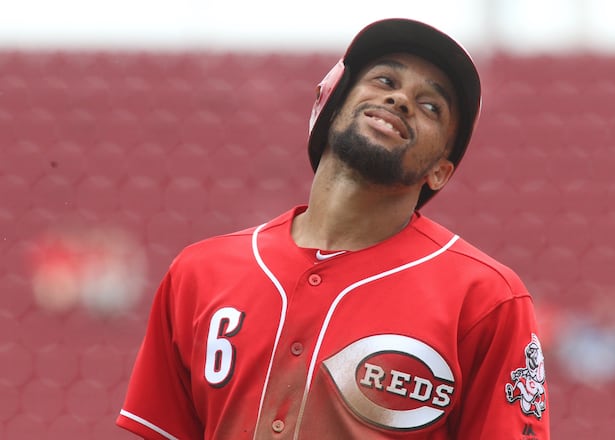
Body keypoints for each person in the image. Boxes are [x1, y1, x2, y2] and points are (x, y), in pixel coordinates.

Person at [117, 18, 550, 440]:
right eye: (384, 82)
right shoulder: (199, 272)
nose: (401, 100)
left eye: (430, 106)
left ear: (440, 171)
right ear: (331, 104)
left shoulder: (487, 298)